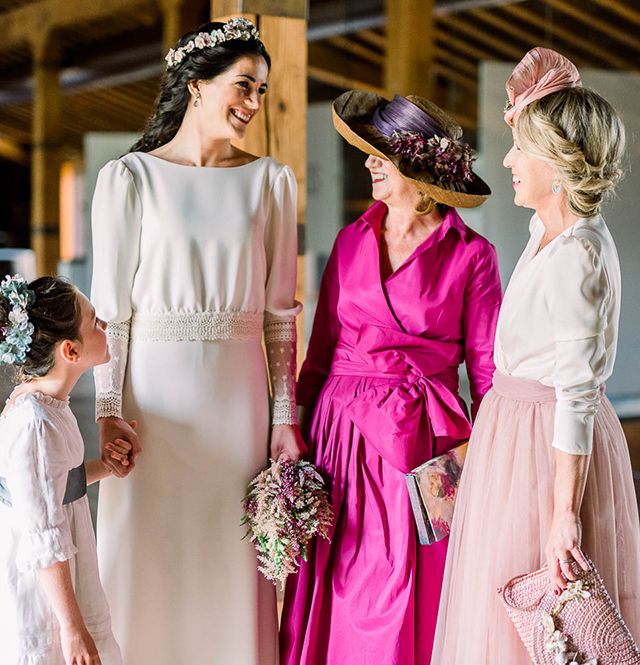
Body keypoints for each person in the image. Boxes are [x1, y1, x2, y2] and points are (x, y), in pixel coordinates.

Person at [90, 17, 304, 664]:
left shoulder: (270, 181)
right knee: (146, 558)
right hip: (151, 405)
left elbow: (279, 317)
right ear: (197, 85)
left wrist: (283, 417)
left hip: (236, 406)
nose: (252, 104)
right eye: (243, 85)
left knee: (229, 564)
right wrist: (105, 409)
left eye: (262, 92)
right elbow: (112, 312)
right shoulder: (130, 178)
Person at [432, 47, 640, 664]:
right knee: (504, 611)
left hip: (545, 446)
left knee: (546, 611)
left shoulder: (579, 253)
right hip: (514, 435)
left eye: (519, 147)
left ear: (556, 164)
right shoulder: (545, 234)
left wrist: (564, 513)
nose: (507, 159)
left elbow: (576, 394)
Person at [280, 91, 502, 665]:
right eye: (368, 153)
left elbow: (486, 367)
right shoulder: (350, 239)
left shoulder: (472, 255)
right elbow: (322, 345)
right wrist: (293, 428)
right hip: (340, 435)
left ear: (419, 170)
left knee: (404, 582)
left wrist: (495, 455)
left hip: (421, 442)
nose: (369, 164)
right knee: (342, 575)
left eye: (380, 154)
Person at [0, 275, 129, 665]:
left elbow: (53, 485)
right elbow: (43, 536)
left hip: (66, 576)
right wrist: (72, 627)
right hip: (48, 596)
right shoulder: (35, 423)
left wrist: (104, 466)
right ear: (70, 350)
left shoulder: (50, 406)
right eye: (94, 322)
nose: (104, 326)